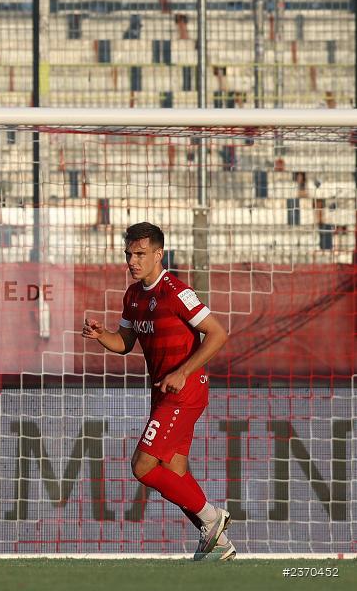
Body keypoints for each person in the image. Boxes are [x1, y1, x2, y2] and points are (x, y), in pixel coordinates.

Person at [81, 222, 234, 561]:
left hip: (186, 390)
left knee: (143, 466)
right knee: (174, 473)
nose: (132, 261)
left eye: (140, 254)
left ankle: (212, 518)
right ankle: (219, 543)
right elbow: (124, 343)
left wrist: (183, 371)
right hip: (164, 393)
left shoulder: (177, 292)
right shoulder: (133, 296)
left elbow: (218, 333)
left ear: (158, 254)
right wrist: (101, 333)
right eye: (128, 254)